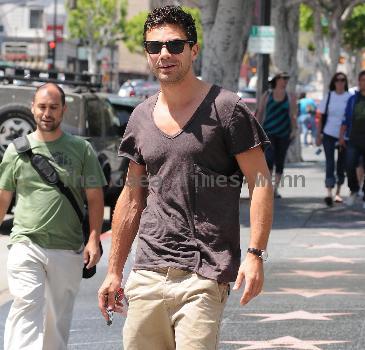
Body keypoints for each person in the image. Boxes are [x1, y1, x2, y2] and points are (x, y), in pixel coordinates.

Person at [98, 6, 273, 350]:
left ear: (194, 49)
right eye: (154, 46)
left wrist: (255, 254)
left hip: (204, 275)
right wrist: (114, 271)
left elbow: (261, 182)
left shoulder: (227, 109)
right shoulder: (141, 117)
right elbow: (132, 200)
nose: (164, 54)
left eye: (175, 45)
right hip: (147, 273)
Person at [0, 83, 106, 350]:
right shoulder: (16, 151)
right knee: (27, 301)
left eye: (53, 108)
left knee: (57, 318)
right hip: (26, 243)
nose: (47, 113)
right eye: (42, 107)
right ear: (33, 108)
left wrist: (94, 239)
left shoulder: (81, 149)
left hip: (67, 248)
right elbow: (3, 198)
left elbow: (94, 198)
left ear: (63, 110)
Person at [256, 71, 298, 198]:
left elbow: (293, 115)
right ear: (277, 79)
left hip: (284, 133)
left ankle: (275, 189)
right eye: (283, 78)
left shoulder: (290, 96)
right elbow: (260, 112)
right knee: (268, 159)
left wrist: (294, 130)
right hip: (268, 132)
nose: (285, 80)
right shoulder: (267, 95)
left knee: (280, 161)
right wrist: (256, 129)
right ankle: (268, 188)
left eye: (287, 78)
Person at [317, 72, 351, 206]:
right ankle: (329, 193)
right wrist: (318, 135)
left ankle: (338, 192)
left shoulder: (350, 97)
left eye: (343, 80)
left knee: (341, 165)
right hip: (329, 134)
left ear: (345, 82)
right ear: (334, 82)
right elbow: (321, 117)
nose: (340, 82)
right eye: (337, 80)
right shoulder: (329, 96)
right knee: (329, 163)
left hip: (345, 136)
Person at [339, 70, 365, 208]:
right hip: (353, 138)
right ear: (359, 82)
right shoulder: (353, 99)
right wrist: (341, 136)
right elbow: (345, 120)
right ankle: (354, 190)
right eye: (362, 80)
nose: (363, 83)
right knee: (349, 165)